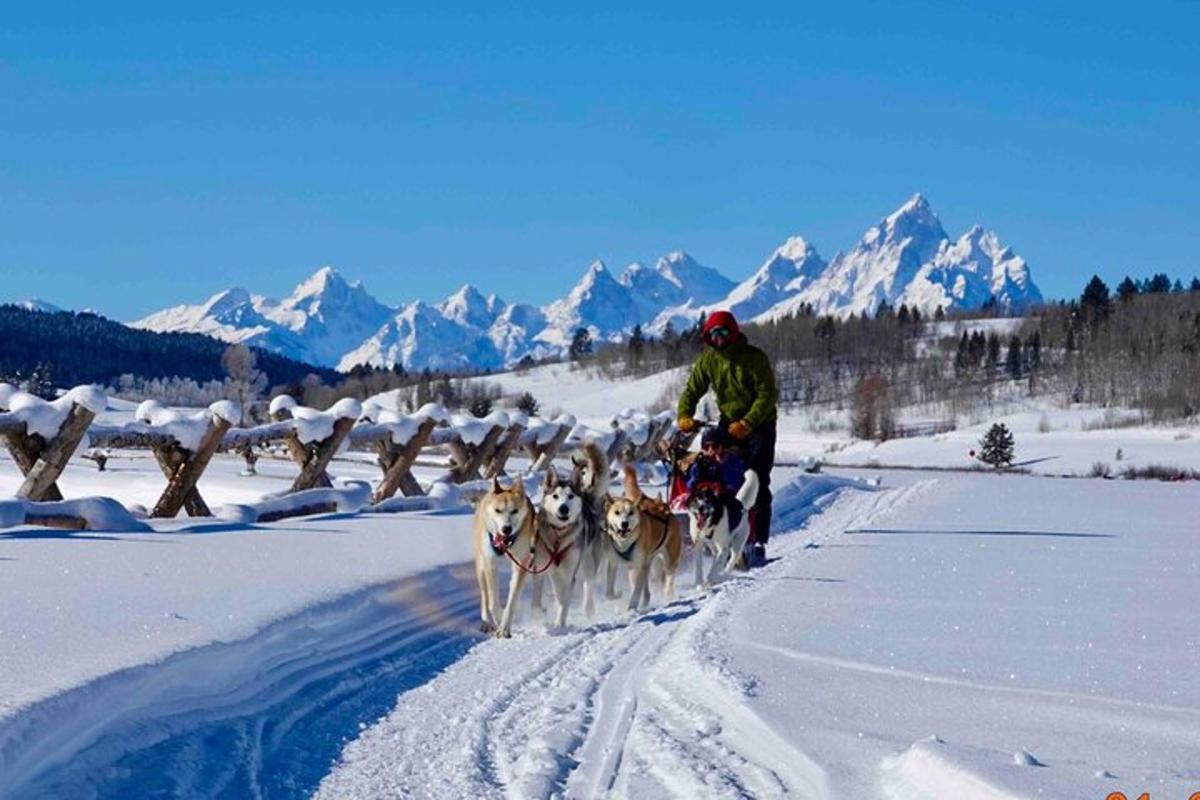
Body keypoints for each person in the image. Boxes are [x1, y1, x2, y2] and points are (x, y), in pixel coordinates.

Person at [677, 310, 778, 566]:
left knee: (758, 480)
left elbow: (767, 395)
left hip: (760, 424)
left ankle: (757, 541)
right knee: (714, 469)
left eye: (722, 332)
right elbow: (692, 389)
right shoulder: (709, 361)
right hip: (729, 422)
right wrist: (684, 415)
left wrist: (748, 423)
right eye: (713, 334)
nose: (718, 337)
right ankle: (716, 528)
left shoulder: (754, 358)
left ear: (733, 332)